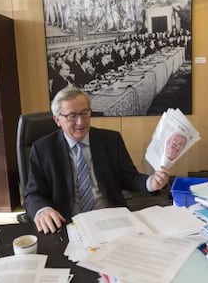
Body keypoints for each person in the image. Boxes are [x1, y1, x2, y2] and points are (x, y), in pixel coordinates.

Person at [23, 87, 169, 234]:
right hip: (67, 224)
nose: (81, 122)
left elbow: (128, 177)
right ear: (57, 120)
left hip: (112, 220)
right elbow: (32, 194)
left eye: (85, 113)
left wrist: (150, 183)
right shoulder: (43, 149)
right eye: (72, 116)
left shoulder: (111, 140)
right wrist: (42, 210)